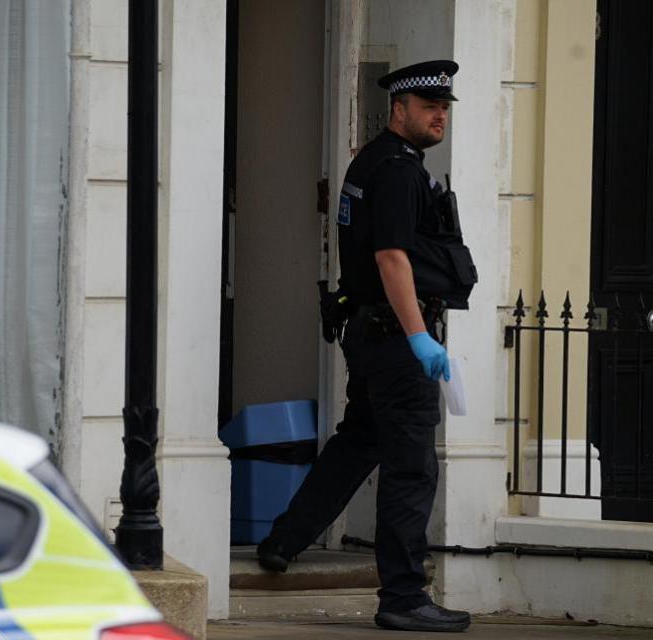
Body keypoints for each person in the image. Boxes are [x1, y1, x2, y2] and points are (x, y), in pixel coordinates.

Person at [256, 60, 478, 633]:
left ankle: (284, 539)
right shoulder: (401, 172)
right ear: (398, 109)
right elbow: (391, 258)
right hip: (395, 337)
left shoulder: (369, 162)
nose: (439, 115)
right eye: (429, 106)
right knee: (411, 467)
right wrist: (419, 336)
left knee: (359, 442)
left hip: (368, 333)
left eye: (444, 107)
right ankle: (403, 595)